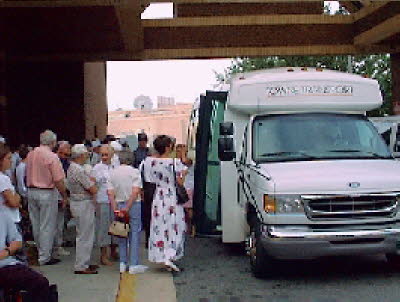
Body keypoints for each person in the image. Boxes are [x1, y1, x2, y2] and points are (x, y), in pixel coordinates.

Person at [145, 135, 187, 272]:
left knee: (160, 225)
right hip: (172, 196)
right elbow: (180, 182)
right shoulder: (175, 162)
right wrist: (183, 173)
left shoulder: (150, 162)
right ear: (168, 147)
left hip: (159, 196)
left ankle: (161, 254)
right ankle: (170, 254)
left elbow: (150, 180)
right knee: (175, 225)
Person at [26, 130, 68, 265]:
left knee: (36, 224)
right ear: (53, 142)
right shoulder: (52, 157)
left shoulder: (31, 154)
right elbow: (58, 180)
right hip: (46, 192)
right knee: (47, 225)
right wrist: (64, 195)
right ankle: (45, 256)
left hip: (31, 190)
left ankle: (40, 251)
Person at [108, 156, 148, 274]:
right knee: (135, 232)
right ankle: (133, 264)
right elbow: (136, 191)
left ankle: (122, 262)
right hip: (133, 204)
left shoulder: (112, 173)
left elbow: (110, 193)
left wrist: (116, 209)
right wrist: (127, 208)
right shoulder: (135, 172)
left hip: (118, 203)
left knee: (121, 232)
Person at [0, 211, 52, 302]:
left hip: (5, 264)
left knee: (40, 282)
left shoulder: (3, 215)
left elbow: (17, 241)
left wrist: (7, 251)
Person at [67, 144, 98, 274]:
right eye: (85, 154)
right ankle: (81, 265)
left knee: (83, 234)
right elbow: (92, 188)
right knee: (85, 235)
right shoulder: (79, 170)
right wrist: (93, 182)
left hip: (77, 202)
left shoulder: (72, 168)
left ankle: (84, 262)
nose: (87, 156)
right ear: (80, 155)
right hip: (83, 203)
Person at [91, 145, 116, 265]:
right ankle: (103, 255)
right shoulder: (96, 168)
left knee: (115, 226)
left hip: (115, 201)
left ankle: (114, 251)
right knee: (103, 228)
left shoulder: (116, 166)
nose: (104, 157)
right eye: (102, 155)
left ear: (112, 155)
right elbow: (93, 185)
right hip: (103, 200)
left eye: (107, 155)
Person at [54, 142, 71, 257]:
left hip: (61, 193)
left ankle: (58, 243)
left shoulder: (65, 162)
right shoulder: (57, 162)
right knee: (57, 222)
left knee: (61, 221)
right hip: (57, 194)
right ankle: (57, 245)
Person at [139, 148, 158, 247]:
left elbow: (140, 175)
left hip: (147, 188)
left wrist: (141, 190)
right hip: (156, 187)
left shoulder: (144, 162)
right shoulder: (158, 162)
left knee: (147, 214)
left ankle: (148, 238)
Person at [175, 144, 195, 236]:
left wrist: (183, 153)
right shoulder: (175, 162)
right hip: (179, 188)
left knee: (188, 209)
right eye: (177, 151)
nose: (178, 153)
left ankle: (191, 227)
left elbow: (185, 161)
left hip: (188, 188)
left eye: (180, 151)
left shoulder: (189, 161)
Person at [0, 144, 21, 224]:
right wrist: (17, 196)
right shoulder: (3, 179)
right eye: (8, 158)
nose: (11, 161)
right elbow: (14, 202)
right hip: (10, 220)